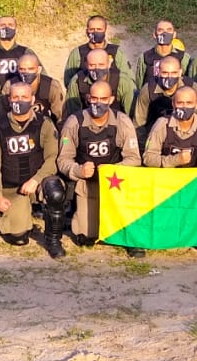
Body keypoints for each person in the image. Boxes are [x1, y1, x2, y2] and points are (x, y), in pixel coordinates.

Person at [57, 81, 140, 251]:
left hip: (115, 184)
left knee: (116, 230)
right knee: (87, 237)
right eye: (94, 98)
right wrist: (78, 170)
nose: (98, 103)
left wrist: (113, 170)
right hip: (88, 184)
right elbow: (63, 159)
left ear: (111, 99)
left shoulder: (122, 121)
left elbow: (134, 158)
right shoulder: (74, 122)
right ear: (88, 98)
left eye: (103, 99)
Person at [0, 82, 66, 257]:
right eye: (15, 97)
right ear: (9, 100)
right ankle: (20, 215)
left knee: (55, 191)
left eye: (24, 97)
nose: (19, 101)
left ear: (32, 99)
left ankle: (53, 240)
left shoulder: (44, 123)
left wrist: (36, 180)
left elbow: (53, 159)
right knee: (19, 238)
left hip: (37, 183)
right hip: (12, 187)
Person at [143, 85, 197, 258]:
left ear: (196, 104)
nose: (184, 107)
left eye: (189, 103)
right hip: (164, 179)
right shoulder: (162, 124)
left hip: (190, 183)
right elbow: (148, 158)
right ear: (173, 103)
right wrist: (175, 160)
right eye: (180, 103)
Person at [133, 54, 196, 148]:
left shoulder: (192, 88)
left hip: (186, 142)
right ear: (158, 72)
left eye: (174, 73)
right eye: (165, 73)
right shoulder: (148, 90)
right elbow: (139, 123)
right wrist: (143, 148)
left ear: (180, 73)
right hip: (155, 141)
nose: (169, 77)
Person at [0, 52, 64, 126]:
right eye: (22, 69)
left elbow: (60, 117)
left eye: (30, 69)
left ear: (39, 69)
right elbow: (2, 116)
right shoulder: (10, 86)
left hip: (43, 129)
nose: (26, 72)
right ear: (17, 69)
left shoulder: (52, 86)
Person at [62, 15, 131, 87]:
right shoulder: (77, 53)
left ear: (105, 30)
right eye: (92, 29)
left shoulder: (117, 52)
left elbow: (128, 79)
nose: (95, 32)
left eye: (99, 29)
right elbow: (68, 82)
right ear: (86, 31)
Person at [65, 47, 136, 117]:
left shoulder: (123, 82)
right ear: (86, 65)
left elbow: (132, 114)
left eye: (101, 65)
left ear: (109, 64)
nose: (97, 69)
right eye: (92, 65)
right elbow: (72, 115)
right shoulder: (77, 82)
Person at [135, 19, 192, 90]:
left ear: (174, 34)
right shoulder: (145, 57)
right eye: (160, 30)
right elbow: (139, 86)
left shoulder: (184, 57)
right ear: (154, 35)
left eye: (169, 30)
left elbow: (190, 84)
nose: (165, 33)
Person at [0, 15, 34, 86]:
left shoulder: (26, 52)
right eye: (3, 25)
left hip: (20, 96)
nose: (6, 27)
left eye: (10, 25)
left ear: (16, 29)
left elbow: (40, 76)